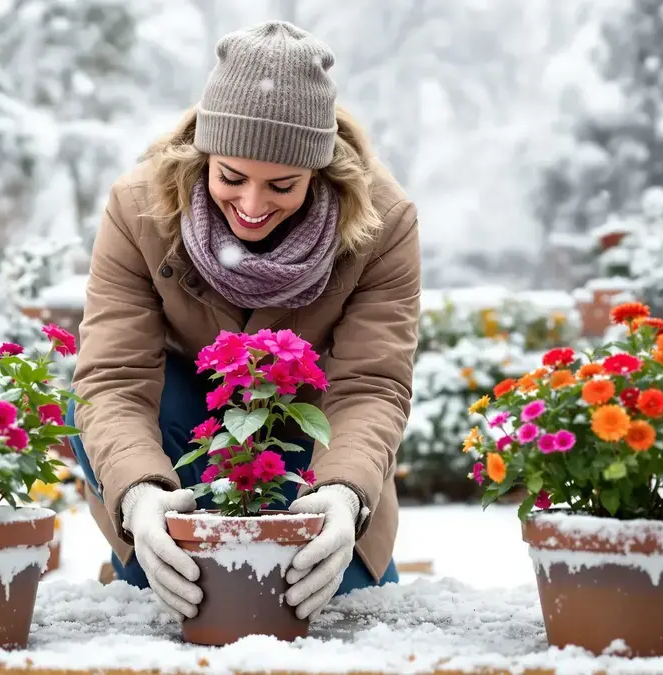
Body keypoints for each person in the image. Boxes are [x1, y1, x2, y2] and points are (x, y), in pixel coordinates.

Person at [64, 19, 420, 622]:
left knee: (343, 613)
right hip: (179, 448)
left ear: (321, 172)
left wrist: (344, 492)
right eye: (230, 177)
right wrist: (139, 494)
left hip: (309, 448)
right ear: (203, 154)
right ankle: (150, 551)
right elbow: (113, 380)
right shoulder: (139, 209)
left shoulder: (383, 224)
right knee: (171, 605)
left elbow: (370, 385)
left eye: (283, 185)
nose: (252, 207)